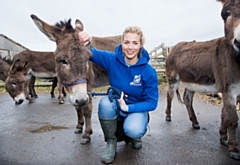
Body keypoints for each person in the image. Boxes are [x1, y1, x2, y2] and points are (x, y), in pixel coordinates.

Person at [78, 26, 159, 164]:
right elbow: (90, 52)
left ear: (141, 45)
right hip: (116, 102)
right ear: (121, 43)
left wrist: (129, 109)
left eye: (135, 43)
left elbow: (152, 102)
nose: (130, 47)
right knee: (104, 104)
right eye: (126, 42)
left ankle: (134, 136)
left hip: (135, 107)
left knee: (133, 130)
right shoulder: (112, 60)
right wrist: (86, 40)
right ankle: (111, 142)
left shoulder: (148, 71)